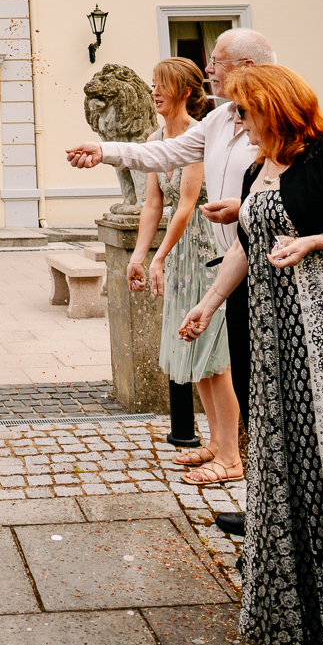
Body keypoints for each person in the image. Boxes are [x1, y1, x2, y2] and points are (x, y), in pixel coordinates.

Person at [177, 64, 323, 645]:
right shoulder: (260, 168)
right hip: (275, 328)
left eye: (245, 116)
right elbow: (247, 250)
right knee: (282, 453)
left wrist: (317, 241)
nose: (241, 128)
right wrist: (206, 304)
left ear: (273, 109)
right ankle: (296, 613)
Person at [66, 26, 272, 537]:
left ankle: (257, 493)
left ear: (246, 66)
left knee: (250, 382)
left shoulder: (279, 120)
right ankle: (252, 490)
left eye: (217, 61)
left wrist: (244, 211)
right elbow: (163, 156)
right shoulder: (223, 119)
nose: (209, 71)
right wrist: (104, 149)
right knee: (233, 372)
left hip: (265, 268)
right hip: (231, 266)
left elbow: (292, 190)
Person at [126, 58, 239, 485]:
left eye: (162, 85)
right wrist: (140, 254)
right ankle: (215, 441)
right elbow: (154, 204)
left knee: (215, 358)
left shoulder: (199, 133)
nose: (154, 92)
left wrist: (159, 257)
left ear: (185, 91)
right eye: (153, 84)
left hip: (208, 251)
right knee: (195, 357)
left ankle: (231, 454)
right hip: (180, 255)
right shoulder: (158, 138)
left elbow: (187, 205)